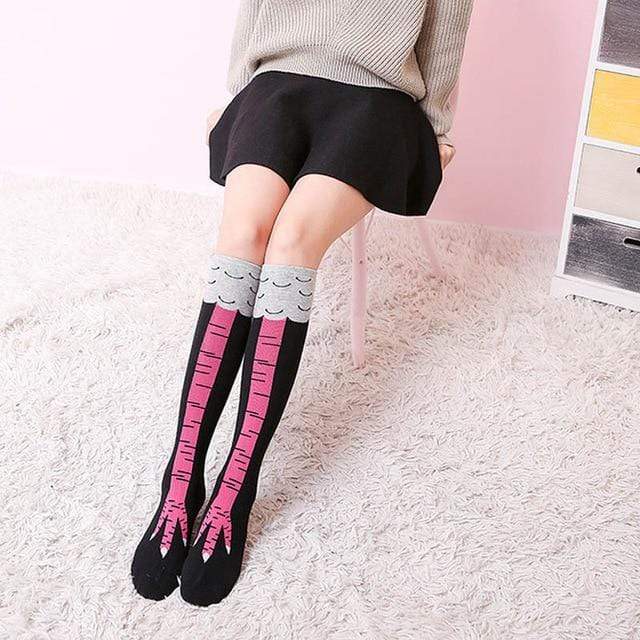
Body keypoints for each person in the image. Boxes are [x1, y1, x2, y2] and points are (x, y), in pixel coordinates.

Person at [132, 0, 474, 606]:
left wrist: (436, 127)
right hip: (277, 85)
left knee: (292, 243)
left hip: (378, 100)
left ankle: (237, 484)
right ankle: (181, 478)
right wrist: (238, 95)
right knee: (243, 235)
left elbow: (446, 26)